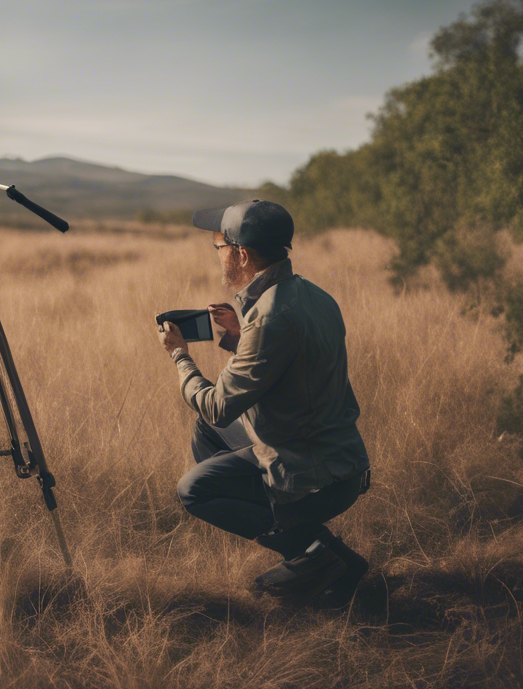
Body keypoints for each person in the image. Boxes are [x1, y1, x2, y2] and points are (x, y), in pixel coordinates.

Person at [156, 199, 371, 607]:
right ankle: (319, 552)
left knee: (194, 490)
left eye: (219, 247)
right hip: (337, 456)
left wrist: (179, 354)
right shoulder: (310, 295)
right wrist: (239, 334)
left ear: (240, 253)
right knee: (207, 430)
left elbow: (218, 405)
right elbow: (289, 367)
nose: (218, 256)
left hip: (313, 474)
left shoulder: (270, 317)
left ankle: (305, 548)